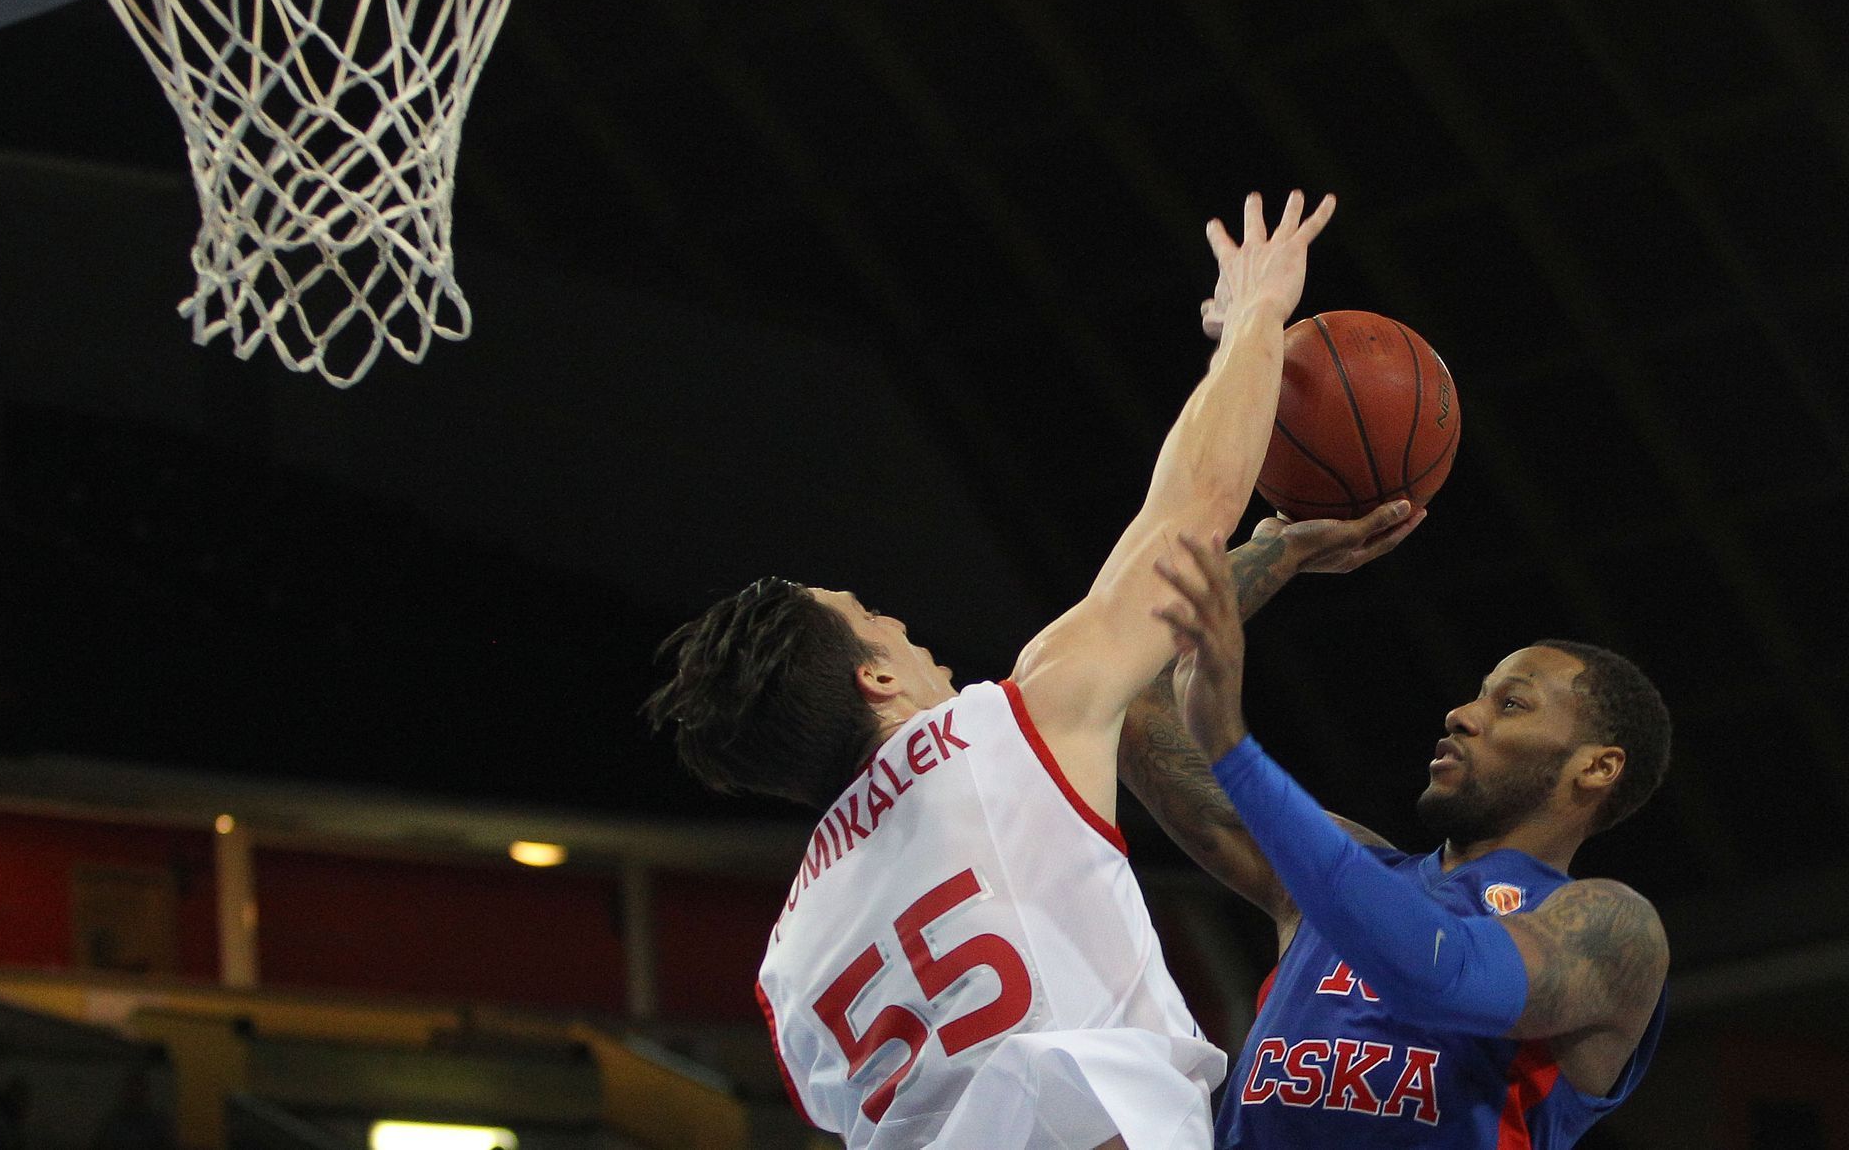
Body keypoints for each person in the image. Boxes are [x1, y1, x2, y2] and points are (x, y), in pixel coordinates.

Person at [644, 191, 1335, 1149]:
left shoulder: (787, 969)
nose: (901, 627)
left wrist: (1274, 551)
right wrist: (1257, 315)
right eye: (872, 619)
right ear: (876, 680)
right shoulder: (1000, 735)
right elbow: (1192, 511)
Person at [1123, 524, 1671, 1148]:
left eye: (1511, 704)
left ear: (1596, 767)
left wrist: (1231, 749)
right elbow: (1134, 708)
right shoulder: (1339, 871)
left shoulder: (1612, 931)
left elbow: (1443, 975)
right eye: (1478, 697)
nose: (1461, 715)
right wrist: (1280, 553)